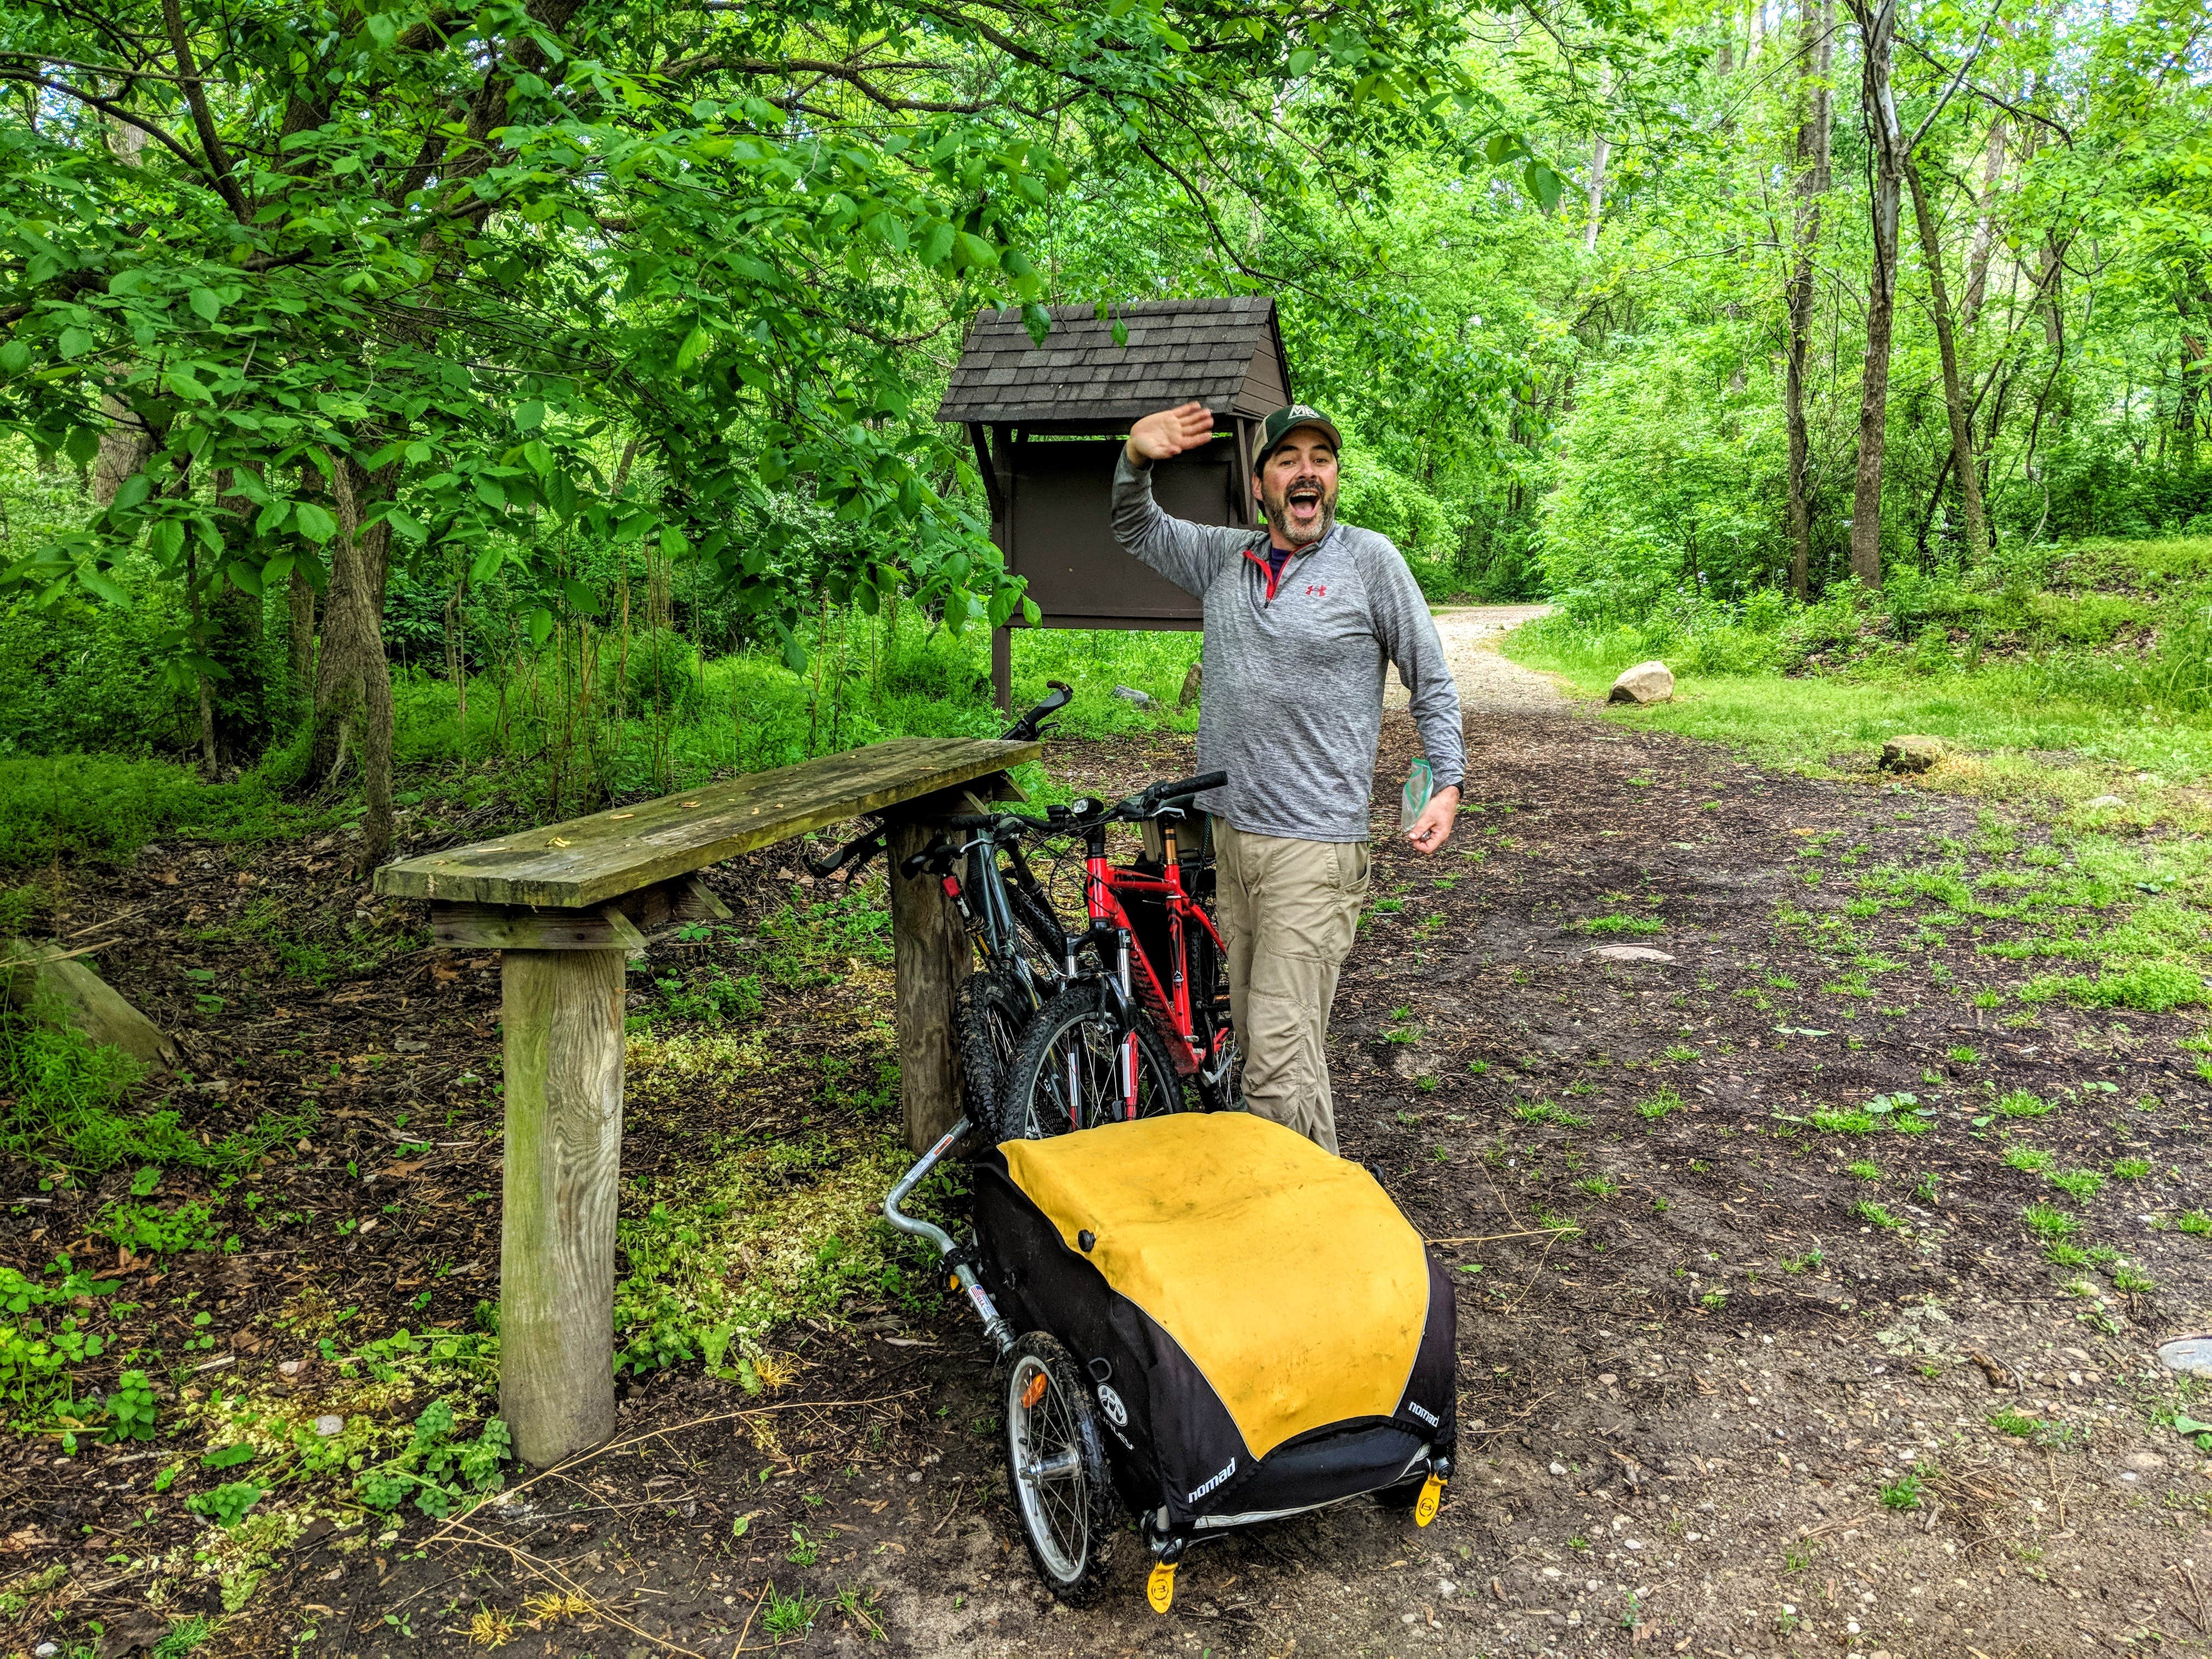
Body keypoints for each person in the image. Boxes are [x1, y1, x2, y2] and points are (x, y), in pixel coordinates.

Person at [1112, 400, 1465, 1154]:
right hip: (1231, 842)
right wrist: (1137, 460)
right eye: (1288, 459)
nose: (1307, 471)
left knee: (1271, 1064)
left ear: (1333, 480)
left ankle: (1273, 1246)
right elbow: (1135, 526)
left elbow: (1429, 679)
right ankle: (1329, 1219)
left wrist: (1446, 781)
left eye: (1322, 458)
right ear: (1261, 483)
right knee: (1282, 1047)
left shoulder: (1370, 562)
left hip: (1314, 851)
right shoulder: (1222, 558)